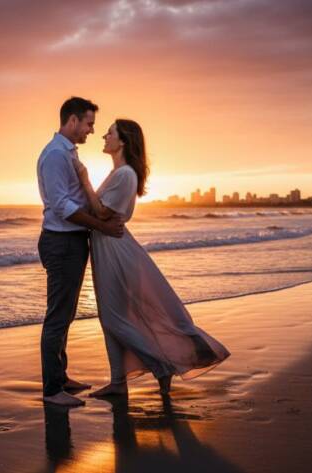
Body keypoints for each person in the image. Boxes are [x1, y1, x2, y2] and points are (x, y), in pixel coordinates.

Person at [72, 119, 231, 397]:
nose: (104, 136)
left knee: (113, 318)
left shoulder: (125, 174)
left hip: (114, 249)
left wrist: (84, 180)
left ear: (123, 141)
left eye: (110, 132)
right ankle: (118, 382)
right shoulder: (118, 172)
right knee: (111, 317)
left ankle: (162, 365)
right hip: (107, 246)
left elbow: (103, 213)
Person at [36, 97, 124, 407]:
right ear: (72, 120)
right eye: (88, 124)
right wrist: (102, 226)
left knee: (66, 314)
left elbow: (75, 199)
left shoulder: (67, 152)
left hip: (71, 241)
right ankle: (52, 390)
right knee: (58, 316)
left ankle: (60, 377)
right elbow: (62, 206)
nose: (91, 130)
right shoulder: (55, 156)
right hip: (61, 243)